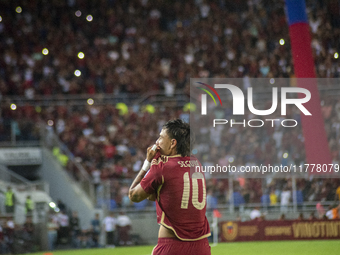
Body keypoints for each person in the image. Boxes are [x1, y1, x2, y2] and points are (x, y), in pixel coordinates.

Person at [129, 119, 211, 255]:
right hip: (201, 246)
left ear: (173, 143)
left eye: (161, 137)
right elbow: (159, 195)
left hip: (172, 246)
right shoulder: (196, 163)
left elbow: (134, 196)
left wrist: (148, 163)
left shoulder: (162, 168)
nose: (157, 142)